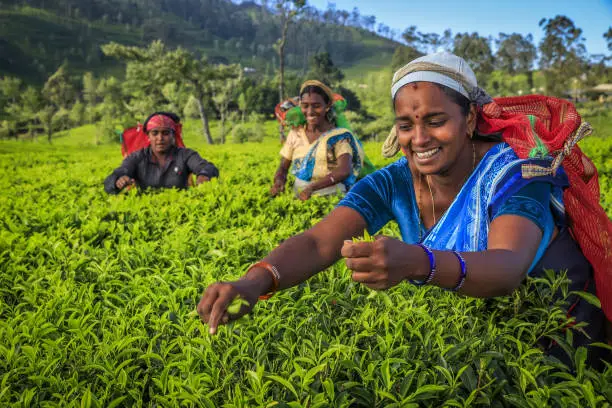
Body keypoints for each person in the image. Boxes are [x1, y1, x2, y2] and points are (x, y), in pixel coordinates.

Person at [198, 53, 611, 366]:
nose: (419, 138)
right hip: (495, 336)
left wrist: (417, 261)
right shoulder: (395, 179)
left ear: (468, 119)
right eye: (406, 124)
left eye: (435, 120)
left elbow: (505, 268)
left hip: (566, 331)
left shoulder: (515, 173)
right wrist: (254, 282)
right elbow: (318, 241)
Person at [270, 80, 365, 200]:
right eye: (305, 106)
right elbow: (283, 167)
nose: (310, 111)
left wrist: (312, 188)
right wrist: (279, 181)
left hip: (333, 197)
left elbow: (344, 170)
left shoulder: (339, 136)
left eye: (317, 106)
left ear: (328, 106)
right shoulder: (295, 134)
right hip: (301, 197)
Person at [104, 112, 219, 194]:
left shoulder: (185, 155)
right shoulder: (137, 158)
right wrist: (117, 182)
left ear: (173, 136)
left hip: (180, 212)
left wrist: (204, 175)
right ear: (148, 137)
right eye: (155, 133)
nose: (160, 138)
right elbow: (112, 179)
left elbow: (208, 167)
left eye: (165, 133)